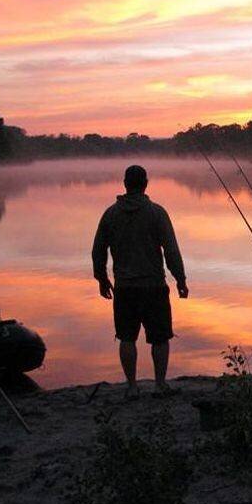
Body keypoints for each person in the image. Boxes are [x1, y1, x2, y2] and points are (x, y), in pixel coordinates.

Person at [92, 164, 188, 399]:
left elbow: (98, 251)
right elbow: (171, 251)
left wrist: (102, 279)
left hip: (125, 288)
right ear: (145, 184)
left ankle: (132, 387)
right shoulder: (157, 213)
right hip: (153, 286)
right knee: (160, 337)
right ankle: (159, 385)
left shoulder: (110, 214)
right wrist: (181, 279)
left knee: (126, 337)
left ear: (125, 184)